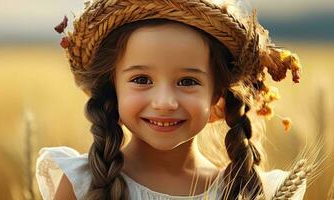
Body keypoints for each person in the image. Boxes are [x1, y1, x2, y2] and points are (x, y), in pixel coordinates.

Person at [36, 0, 310, 199]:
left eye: (187, 81)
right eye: (142, 80)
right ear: (113, 88)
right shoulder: (81, 184)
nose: (165, 102)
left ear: (217, 93)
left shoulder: (252, 193)